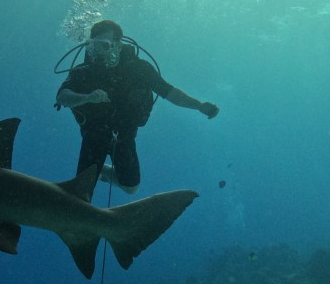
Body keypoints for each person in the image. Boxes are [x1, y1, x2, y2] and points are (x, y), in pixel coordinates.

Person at [55, 19, 219, 196]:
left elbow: (170, 92)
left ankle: (102, 170)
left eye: (104, 45)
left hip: (125, 135)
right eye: (93, 46)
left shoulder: (140, 69)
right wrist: (86, 98)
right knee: (81, 193)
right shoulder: (83, 72)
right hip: (94, 135)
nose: (98, 52)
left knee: (131, 188)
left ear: (118, 45)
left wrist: (199, 105)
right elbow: (62, 97)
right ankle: (94, 175)